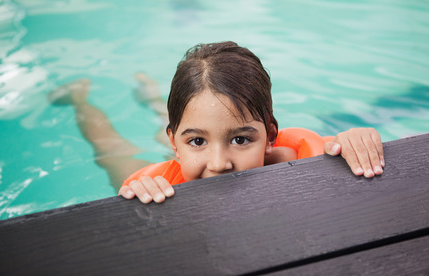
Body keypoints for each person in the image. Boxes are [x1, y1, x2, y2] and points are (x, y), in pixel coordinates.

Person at [50, 41, 384, 204]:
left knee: (198, 118)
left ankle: (154, 98)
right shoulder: (166, 181)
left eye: (241, 139)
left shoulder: (307, 159)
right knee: (111, 150)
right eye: (196, 141)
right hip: (177, 169)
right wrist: (139, 194)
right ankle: (81, 98)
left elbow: (344, 150)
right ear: (174, 143)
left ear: (270, 135)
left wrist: (356, 141)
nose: (218, 164)